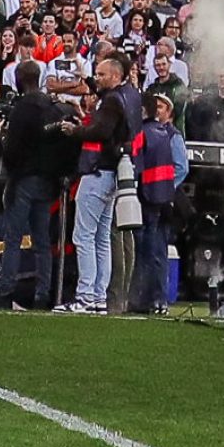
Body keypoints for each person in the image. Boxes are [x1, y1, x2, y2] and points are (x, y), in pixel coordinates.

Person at [0, 64, 72, 312]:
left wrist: (10, 168)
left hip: (24, 178)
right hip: (46, 180)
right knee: (42, 241)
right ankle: (42, 294)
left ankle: (6, 292)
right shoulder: (52, 108)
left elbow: (12, 148)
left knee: (13, 238)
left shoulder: (22, 109)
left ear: (19, 80)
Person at [66, 51, 136, 317]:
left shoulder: (111, 101)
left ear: (116, 76)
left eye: (102, 74)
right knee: (101, 238)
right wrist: (86, 77)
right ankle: (98, 298)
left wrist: (75, 130)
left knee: (84, 235)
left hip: (98, 172)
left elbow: (101, 131)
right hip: (113, 173)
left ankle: (85, 296)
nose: (97, 78)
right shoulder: (126, 96)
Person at [127, 89, 187, 314]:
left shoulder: (172, 135)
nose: (158, 110)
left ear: (169, 112)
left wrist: (164, 187)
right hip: (159, 198)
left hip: (155, 199)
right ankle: (155, 299)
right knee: (153, 251)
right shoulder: (162, 133)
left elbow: (181, 168)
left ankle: (154, 299)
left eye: (162, 107)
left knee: (153, 251)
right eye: (157, 106)